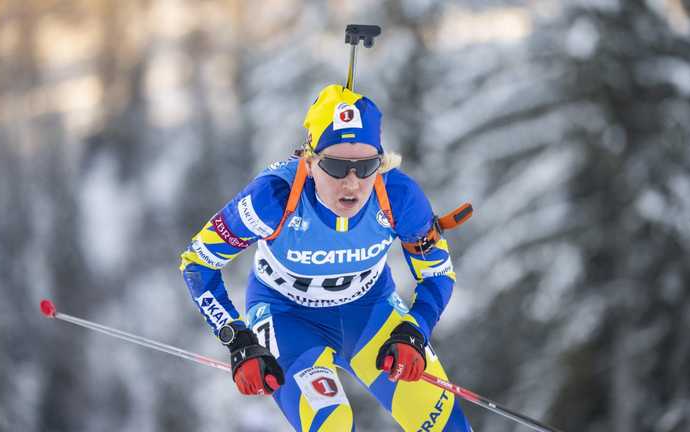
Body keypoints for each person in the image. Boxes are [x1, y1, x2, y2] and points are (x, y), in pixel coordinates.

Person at [179, 84, 472, 431]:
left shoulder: (399, 196)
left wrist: (414, 329)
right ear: (309, 160)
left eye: (366, 167)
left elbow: (437, 273)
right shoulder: (273, 197)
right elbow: (197, 262)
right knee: (332, 425)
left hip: (370, 312)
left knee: (446, 426)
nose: (351, 183)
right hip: (288, 317)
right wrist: (238, 338)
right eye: (335, 166)